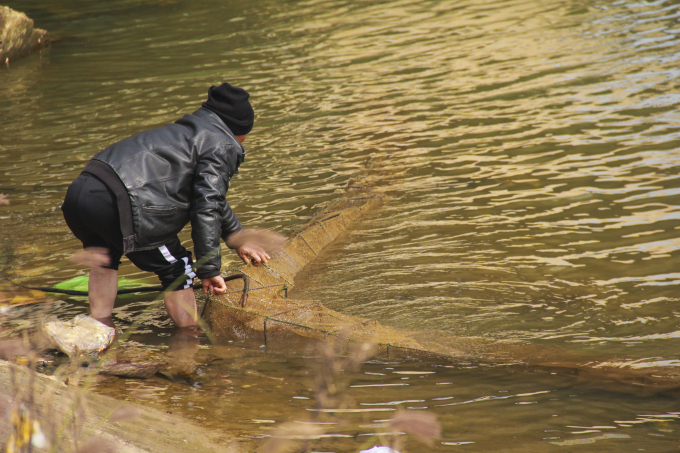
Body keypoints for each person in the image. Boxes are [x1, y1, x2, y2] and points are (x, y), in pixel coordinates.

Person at [61, 83, 271, 328]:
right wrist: (209, 269)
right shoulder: (223, 144)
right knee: (177, 267)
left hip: (81, 191)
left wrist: (238, 237)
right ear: (239, 129)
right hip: (120, 202)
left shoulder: (185, 132)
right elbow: (207, 207)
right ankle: (189, 343)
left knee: (104, 257)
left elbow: (208, 198)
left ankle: (99, 329)